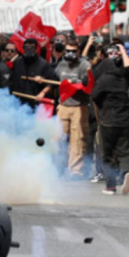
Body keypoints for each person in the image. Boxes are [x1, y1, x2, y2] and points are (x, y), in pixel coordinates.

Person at [91, 44, 129, 195]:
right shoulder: (124, 78)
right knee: (125, 152)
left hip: (108, 121)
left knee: (107, 154)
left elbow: (94, 96)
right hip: (125, 119)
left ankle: (110, 186)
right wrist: (123, 50)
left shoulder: (103, 79)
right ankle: (126, 172)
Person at [54, 39, 91, 179]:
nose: (70, 53)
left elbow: (87, 84)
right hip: (63, 105)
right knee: (58, 137)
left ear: (79, 51)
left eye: (73, 51)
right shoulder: (61, 64)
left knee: (77, 139)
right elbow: (57, 81)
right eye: (68, 51)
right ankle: (58, 167)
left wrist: (74, 83)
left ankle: (76, 170)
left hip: (79, 107)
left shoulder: (84, 65)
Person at [9, 38, 57, 109]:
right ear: (23, 48)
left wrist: (42, 93)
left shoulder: (43, 64)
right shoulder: (17, 62)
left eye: (32, 47)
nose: (29, 49)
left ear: (36, 49)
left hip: (34, 101)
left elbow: (51, 81)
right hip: (18, 100)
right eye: (26, 47)